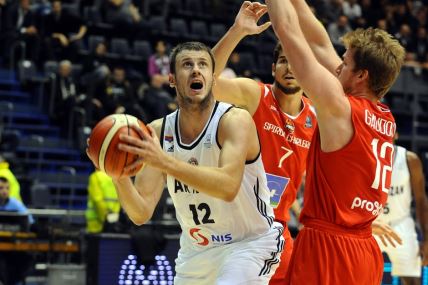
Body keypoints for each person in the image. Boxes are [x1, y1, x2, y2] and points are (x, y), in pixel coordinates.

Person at [95, 41, 284, 284]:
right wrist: (117, 174)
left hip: (248, 244)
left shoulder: (234, 120)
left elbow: (227, 187)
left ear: (212, 78)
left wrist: (165, 162)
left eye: (203, 65)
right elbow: (140, 213)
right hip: (197, 253)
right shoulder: (158, 132)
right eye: (187, 65)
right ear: (172, 79)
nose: (196, 70)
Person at [266, 0, 405, 284]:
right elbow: (318, 42)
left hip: (329, 246)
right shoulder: (384, 115)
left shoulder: (340, 108)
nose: (338, 64)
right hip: (365, 248)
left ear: (361, 75)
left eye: (346, 61)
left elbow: (287, 30)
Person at [211, 2, 315, 284]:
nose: (289, 67)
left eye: (295, 61)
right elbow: (205, 82)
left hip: (278, 228)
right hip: (237, 224)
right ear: (273, 68)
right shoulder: (255, 95)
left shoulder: (316, 119)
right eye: (283, 60)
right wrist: (237, 31)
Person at [375, 137, 428, 285]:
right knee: (357, 278)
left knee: (412, 281)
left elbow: (421, 200)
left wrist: (426, 238)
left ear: (396, 135)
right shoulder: (365, 157)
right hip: (372, 225)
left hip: (401, 224)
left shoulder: (409, 159)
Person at [0, 176, 34, 285]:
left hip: (12, 243)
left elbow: (29, 219)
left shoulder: (15, 203)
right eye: (1, 188)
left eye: (7, 188)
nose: (5, 191)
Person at [85, 169, 121, 233]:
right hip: (115, 219)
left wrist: (105, 217)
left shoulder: (96, 176)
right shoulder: (116, 177)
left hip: (97, 222)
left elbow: (97, 200)